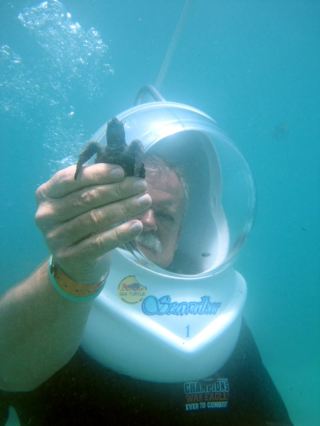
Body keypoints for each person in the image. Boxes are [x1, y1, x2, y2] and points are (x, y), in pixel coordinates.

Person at [0, 137, 292, 425]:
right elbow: (7, 372)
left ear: (181, 238)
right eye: (133, 205)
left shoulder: (221, 319)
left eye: (165, 215)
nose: (148, 221)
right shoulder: (60, 303)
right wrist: (73, 273)